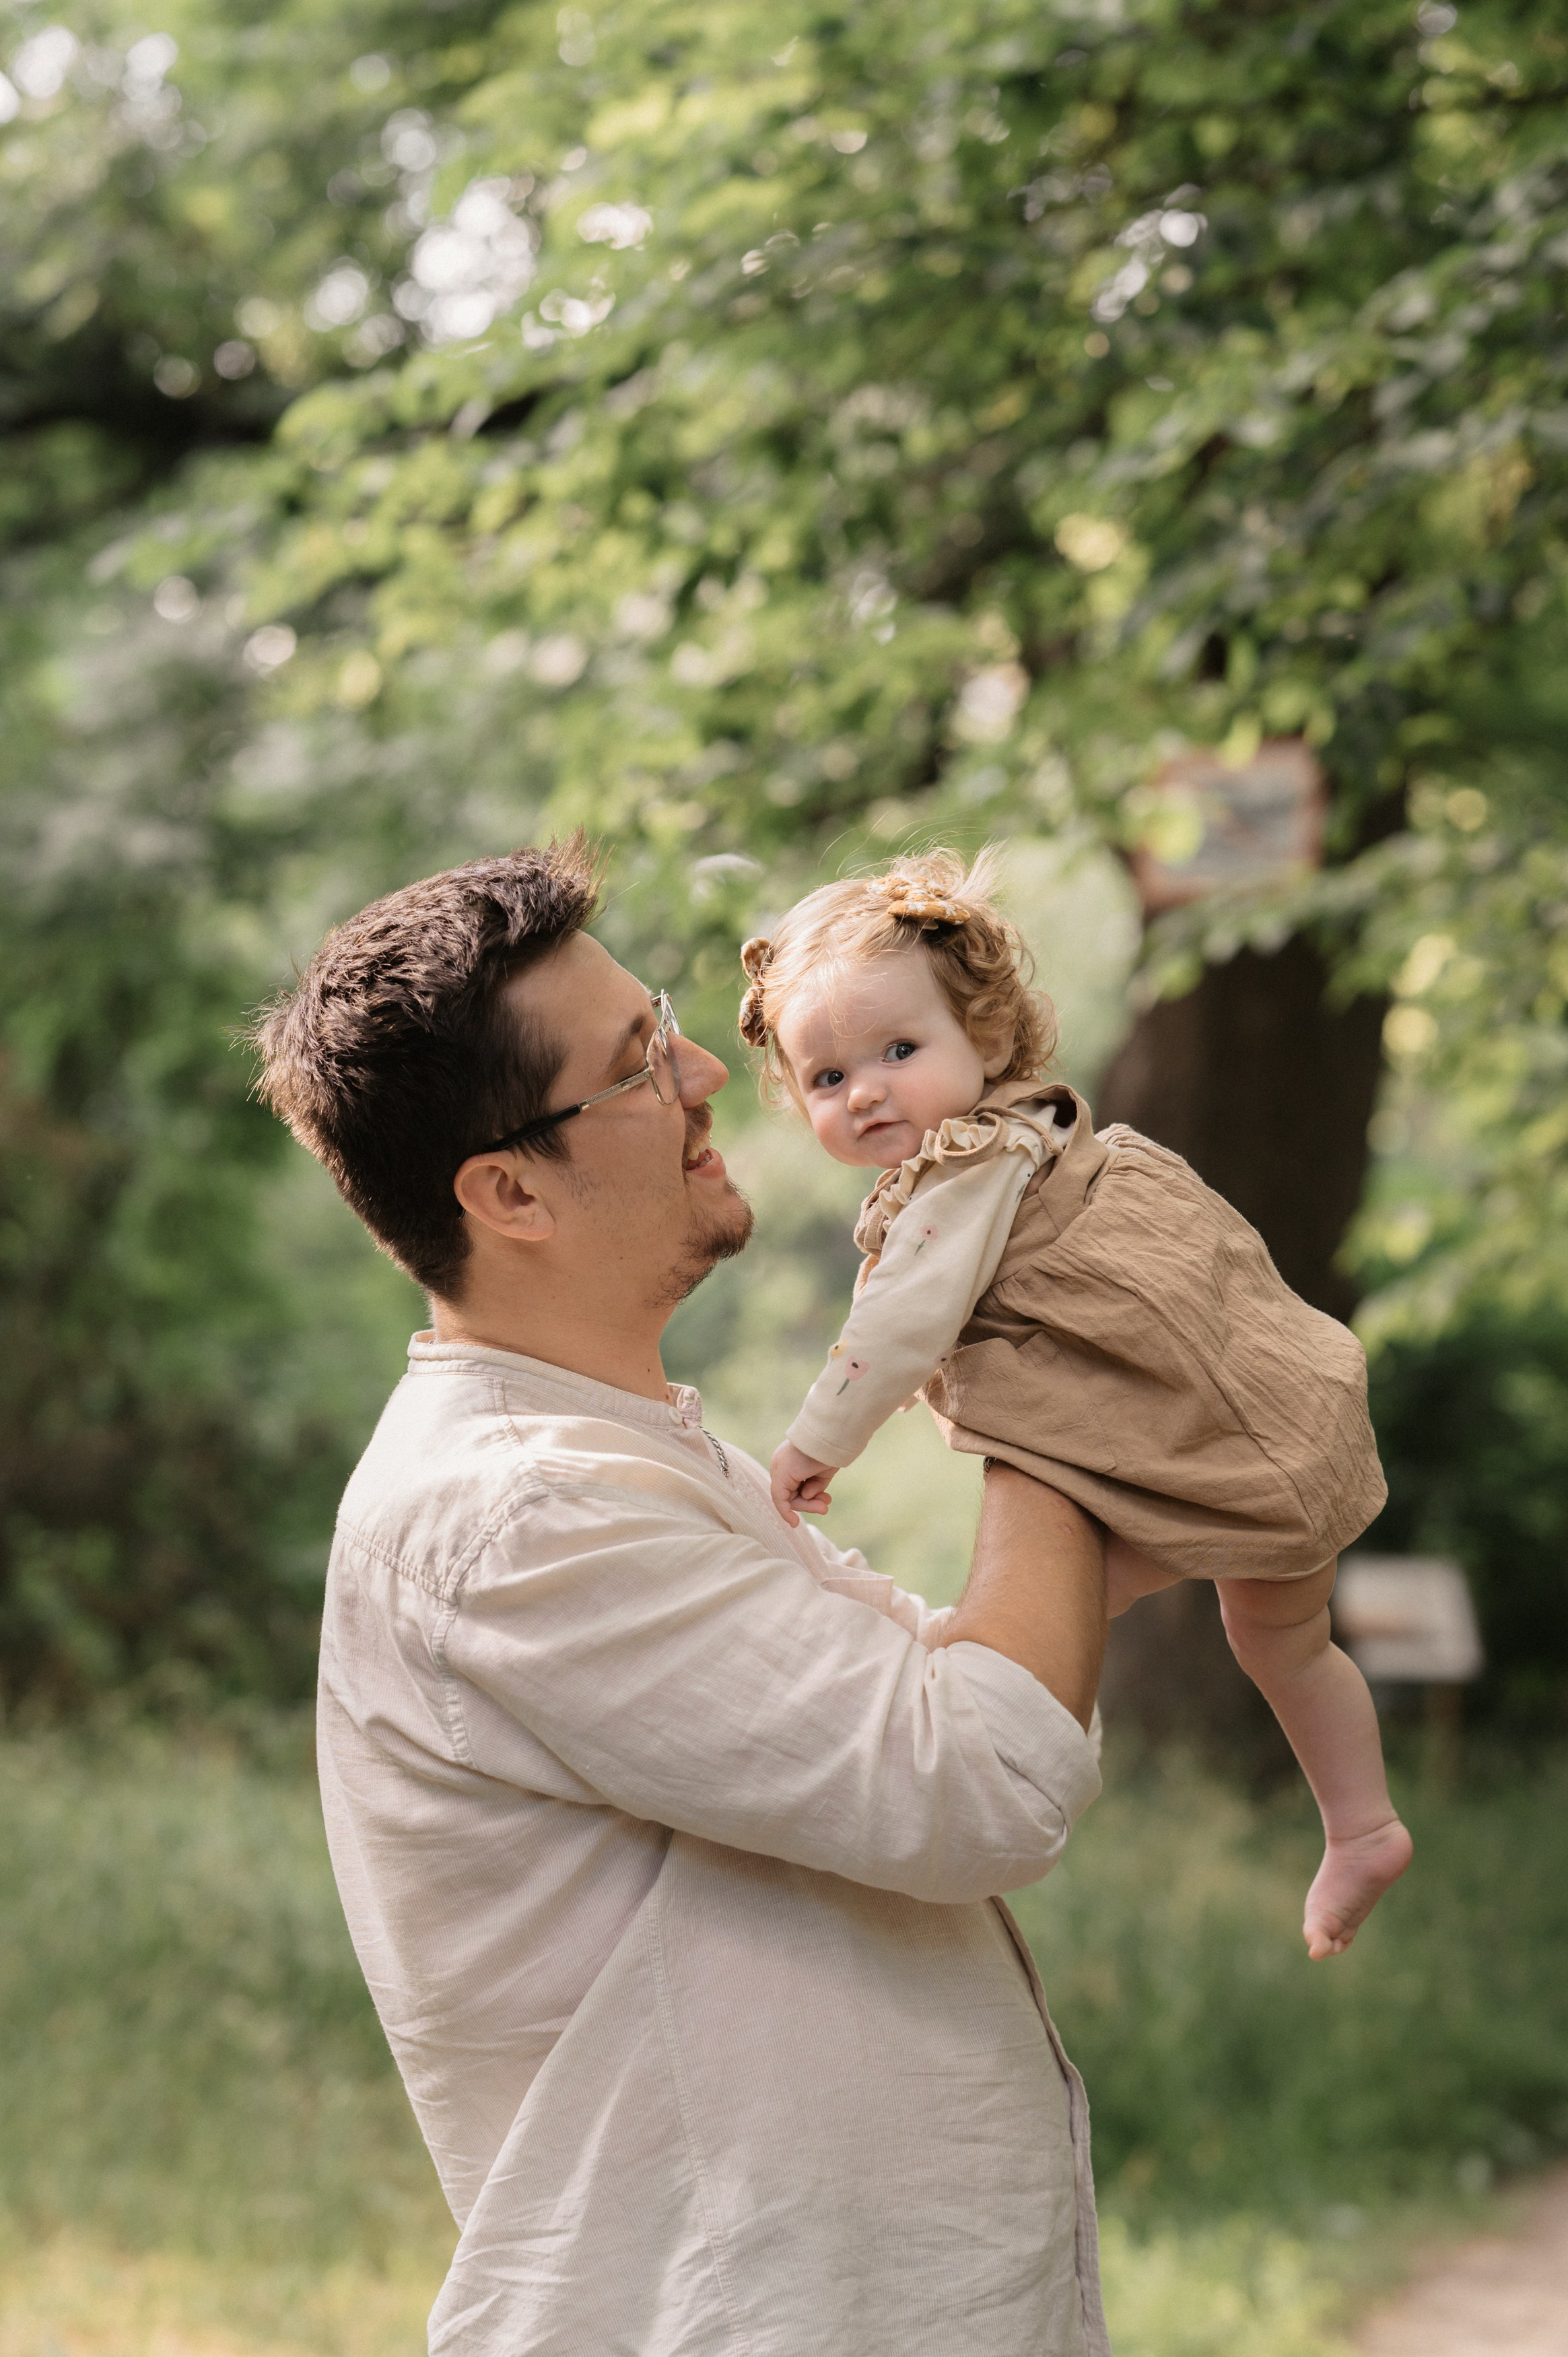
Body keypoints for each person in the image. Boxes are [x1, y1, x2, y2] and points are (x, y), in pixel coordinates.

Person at [252, 836, 1114, 2357]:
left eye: (664, 1021)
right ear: (508, 1187)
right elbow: (981, 1772)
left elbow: (961, 1672)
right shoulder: (517, 1513)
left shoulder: (626, 1455)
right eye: (638, 1061)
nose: (711, 1070)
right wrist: (1050, 1348)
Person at [745, 847, 1412, 1964]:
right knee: (1281, 1642)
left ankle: (983, 1707)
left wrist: (818, 1441)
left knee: (1073, 1614)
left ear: (989, 1040)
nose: (863, 1092)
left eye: (897, 1052)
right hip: (1252, 1429)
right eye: (826, 1078)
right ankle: (1363, 1822)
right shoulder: (1046, 1136)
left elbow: (898, 1327)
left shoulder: (967, 1172)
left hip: (1202, 1447)